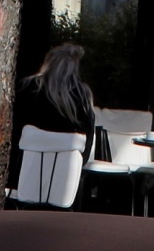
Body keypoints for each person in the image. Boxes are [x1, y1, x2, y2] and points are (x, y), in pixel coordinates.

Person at [13, 42, 99, 186]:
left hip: (22, 176)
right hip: (64, 183)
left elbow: (14, 131)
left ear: (48, 63)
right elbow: (87, 143)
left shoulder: (28, 88)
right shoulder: (82, 96)